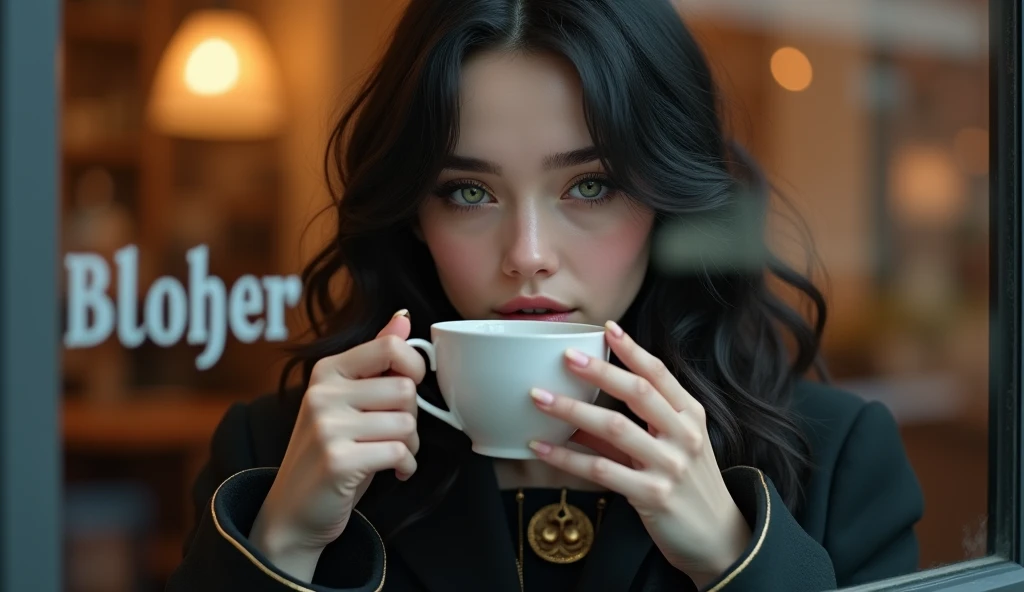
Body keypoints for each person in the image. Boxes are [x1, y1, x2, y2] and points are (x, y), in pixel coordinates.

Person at [166, 0, 923, 590]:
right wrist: (284, 544)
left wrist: (733, 556)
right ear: (413, 217)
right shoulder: (273, 458)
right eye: (468, 191)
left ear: (667, 199)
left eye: (589, 185)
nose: (527, 256)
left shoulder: (834, 463)